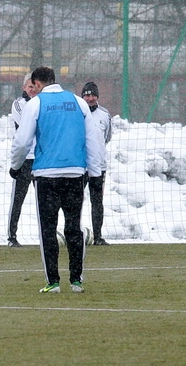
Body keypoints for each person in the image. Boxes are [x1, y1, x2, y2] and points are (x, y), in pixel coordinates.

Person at [9, 66, 104, 294]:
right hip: (74, 174)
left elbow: (22, 141)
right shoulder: (78, 102)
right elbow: (92, 139)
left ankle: (53, 282)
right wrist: (95, 171)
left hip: (46, 176)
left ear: (38, 83)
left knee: (48, 230)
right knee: (73, 227)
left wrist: (15, 166)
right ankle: (76, 280)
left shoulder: (36, 104)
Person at [7, 73, 38, 247]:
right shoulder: (19, 104)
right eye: (29, 86)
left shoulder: (41, 104)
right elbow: (26, 125)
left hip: (41, 159)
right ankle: (12, 236)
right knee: (17, 199)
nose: (32, 89)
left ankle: (46, 234)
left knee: (44, 200)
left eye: (35, 86)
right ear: (24, 87)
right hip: (25, 159)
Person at [81, 82, 112, 246]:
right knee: (74, 202)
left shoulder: (105, 115)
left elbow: (106, 137)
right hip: (80, 167)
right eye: (87, 95)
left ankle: (98, 236)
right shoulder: (77, 113)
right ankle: (73, 233)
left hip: (99, 167)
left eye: (93, 95)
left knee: (97, 202)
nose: (90, 98)